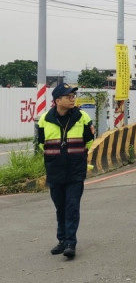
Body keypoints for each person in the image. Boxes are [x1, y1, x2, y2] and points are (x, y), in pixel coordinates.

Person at [37, 83, 95, 259]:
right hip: (55, 170)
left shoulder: (82, 117)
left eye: (73, 96)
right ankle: (61, 240)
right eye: (68, 96)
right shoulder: (44, 119)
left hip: (75, 170)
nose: (72, 98)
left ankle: (70, 243)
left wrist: (76, 157)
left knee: (71, 207)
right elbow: (41, 143)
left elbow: (89, 141)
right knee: (60, 207)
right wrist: (56, 157)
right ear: (57, 100)